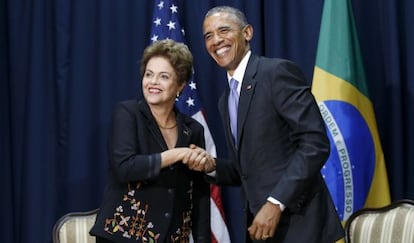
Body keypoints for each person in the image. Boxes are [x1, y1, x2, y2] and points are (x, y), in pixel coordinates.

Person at [185, 6, 344, 243]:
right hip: (262, 231)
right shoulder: (225, 99)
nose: (216, 40)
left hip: (301, 226)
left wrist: (275, 203)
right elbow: (249, 171)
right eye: (208, 36)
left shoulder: (275, 73)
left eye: (224, 30)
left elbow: (315, 143)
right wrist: (212, 166)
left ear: (247, 32)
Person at [90, 39, 211, 243]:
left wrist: (202, 239)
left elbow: (198, 193)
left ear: (180, 85)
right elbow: (124, 168)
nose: (153, 82)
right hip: (123, 236)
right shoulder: (128, 113)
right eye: (149, 74)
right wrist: (176, 154)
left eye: (163, 76)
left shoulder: (193, 130)